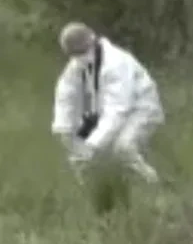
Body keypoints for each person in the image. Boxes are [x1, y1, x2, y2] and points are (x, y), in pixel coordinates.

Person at [51, 22, 165, 188]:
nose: (78, 57)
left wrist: (94, 144)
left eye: (81, 51)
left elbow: (118, 107)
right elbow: (66, 95)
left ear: (92, 42)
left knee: (123, 148)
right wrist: (65, 130)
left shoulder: (116, 62)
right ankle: (94, 193)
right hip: (106, 113)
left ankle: (153, 185)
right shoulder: (78, 65)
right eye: (74, 54)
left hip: (140, 110)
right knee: (78, 153)